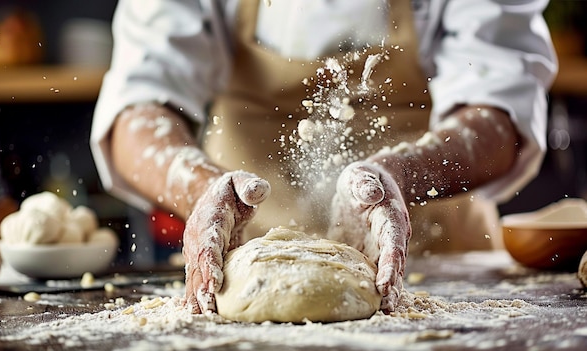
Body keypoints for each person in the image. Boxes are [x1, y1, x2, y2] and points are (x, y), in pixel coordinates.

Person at [90, 0, 557, 313]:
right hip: (242, 252)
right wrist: (202, 188)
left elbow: (501, 107)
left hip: (438, 266)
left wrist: (396, 175)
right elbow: (138, 104)